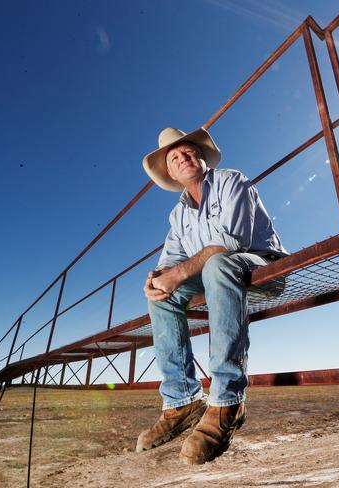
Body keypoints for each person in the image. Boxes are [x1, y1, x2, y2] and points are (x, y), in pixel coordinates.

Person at [136, 127, 288, 465]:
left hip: (264, 270)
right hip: (215, 275)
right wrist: (156, 280)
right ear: (171, 173)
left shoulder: (233, 181)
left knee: (218, 264)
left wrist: (177, 273)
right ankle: (182, 401)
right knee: (161, 295)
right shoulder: (177, 214)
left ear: (202, 158)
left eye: (189, 152)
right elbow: (171, 262)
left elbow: (232, 241)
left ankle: (228, 401)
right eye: (175, 158)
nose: (184, 158)